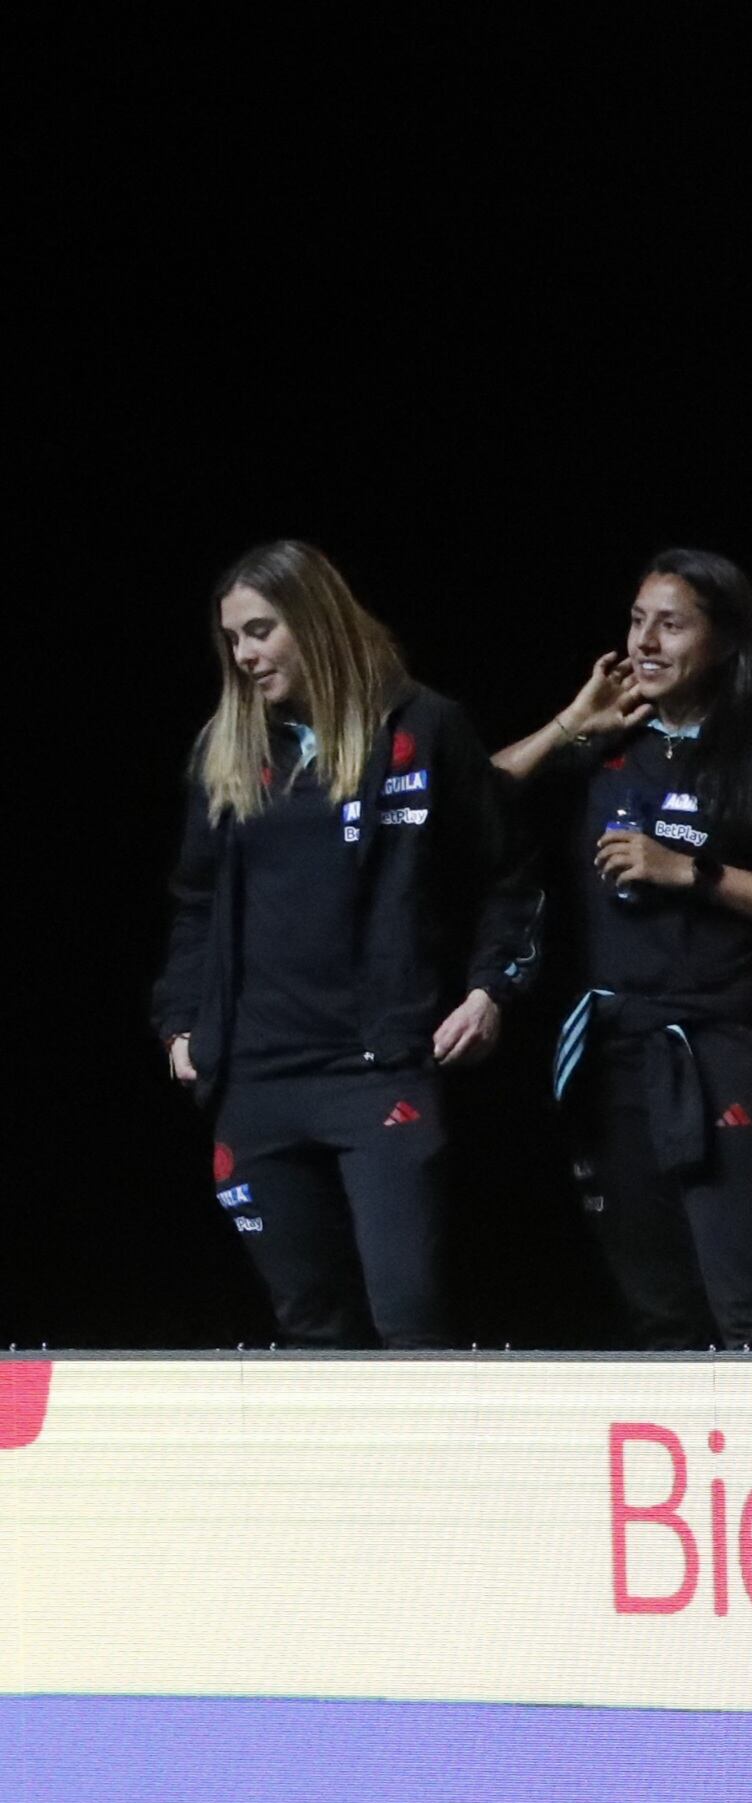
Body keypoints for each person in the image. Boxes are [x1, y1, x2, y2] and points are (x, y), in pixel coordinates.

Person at [154, 540, 540, 1347]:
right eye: (232, 639)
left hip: (378, 1076)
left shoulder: (424, 726)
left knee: (410, 1318)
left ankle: (432, 1474)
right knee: (310, 1327)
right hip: (255, 1081)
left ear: (315, 621)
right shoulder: (225, 748)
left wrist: (488, 990)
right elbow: (194, 903)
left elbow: (508, 878)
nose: (245, 655)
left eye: (261, 631)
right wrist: (182, 1022)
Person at [491, 550, 752, 1348]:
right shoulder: (598, 755)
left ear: (724, 641)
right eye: (636, 620)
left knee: (751, 1315)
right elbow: (468, 805)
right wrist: (566, 725)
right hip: (616, 1061)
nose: (645, 642)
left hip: (732, 1054)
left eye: (672, 623)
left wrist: (692, 871)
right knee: (659, 1321)